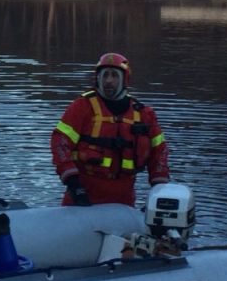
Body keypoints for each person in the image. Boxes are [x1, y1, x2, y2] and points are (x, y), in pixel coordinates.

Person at [51, 52, 169, 207]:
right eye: (104, 75)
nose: (108, 81)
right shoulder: (82, 107)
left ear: (124, 79)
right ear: (97, 78)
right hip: (82, 195)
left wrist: (159, 191)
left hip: (123, 200)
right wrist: (73, 183)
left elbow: (159, 153)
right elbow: (60, 141)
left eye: (114, 76)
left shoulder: (144, 114)